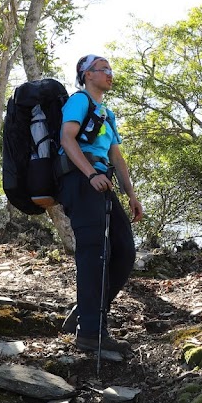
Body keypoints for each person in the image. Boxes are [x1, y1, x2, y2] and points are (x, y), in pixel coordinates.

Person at [57, 54, 144, 356]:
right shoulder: (78, 101)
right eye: (101, 69)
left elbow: (117, 157)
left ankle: (86, 312)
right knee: (95, 253)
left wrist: (131, 194)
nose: (109, 73)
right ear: (86, 75)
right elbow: (67, 139)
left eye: (109, 69)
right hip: (82, 180)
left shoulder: (107, 113)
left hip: (102, 181)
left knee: (124, 250)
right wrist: (90, 173)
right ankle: (91, 333)